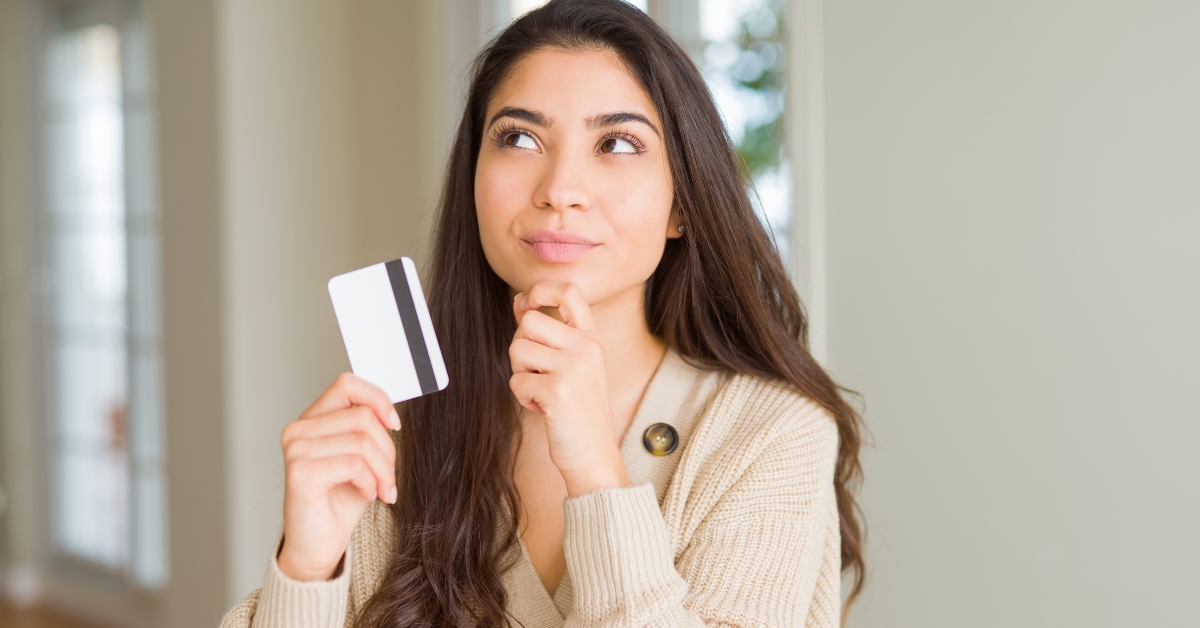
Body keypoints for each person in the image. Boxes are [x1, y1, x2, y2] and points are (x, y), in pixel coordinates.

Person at [220, 1, 864, 626]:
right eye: (520, 138)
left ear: (681, 205)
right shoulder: (393, 432)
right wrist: (307, 570)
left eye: (617, 143)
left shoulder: (771, 433)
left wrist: (597, 476)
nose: (559, 190)